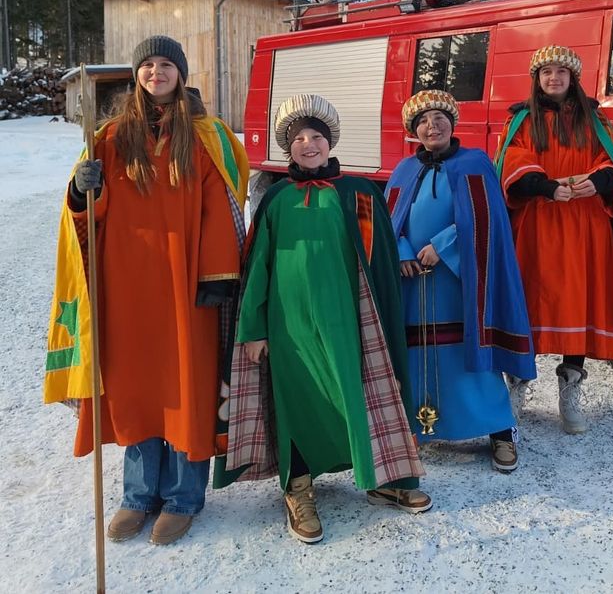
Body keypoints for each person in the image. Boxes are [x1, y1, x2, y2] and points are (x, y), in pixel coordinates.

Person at [44, 35, 249, 546]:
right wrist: (80, 190)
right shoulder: (110, 136)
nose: (157, 72)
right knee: (136, 391)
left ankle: (183, 497)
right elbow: (86, 218)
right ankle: (137, 495)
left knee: (186, 390)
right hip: (127, 287)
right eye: (148, 65)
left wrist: (218, 276)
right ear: (137, 74)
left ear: (181, 73)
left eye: (166, 64)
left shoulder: (208, 136)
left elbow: (223, 206)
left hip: (186, 286)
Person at [228, 94, 429, 545]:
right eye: (298, 138)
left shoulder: (359, 193)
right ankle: (298, 488)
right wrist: (254, 329)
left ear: (330, 141)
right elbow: (257, 267)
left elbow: (377, 261)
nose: (308, 144)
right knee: (298, 402)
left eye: (316, 136)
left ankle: (384, 477)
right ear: (288, 148)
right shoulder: (275, 198)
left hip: (348, 320)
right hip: (290, 326)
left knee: (361, 394)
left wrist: (381, 320)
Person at [495, 45, 613, 434]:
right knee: (529, 307)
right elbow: (510, 161)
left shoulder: (594, 118)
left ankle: (570, 390)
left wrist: (599, 180)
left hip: (585, 226)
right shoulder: (521, 119)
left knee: (579, 305)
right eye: (546, 72)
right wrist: (544, 186)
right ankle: (517, 387)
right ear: (537, 79)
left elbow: (611, 161)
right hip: (538, 224)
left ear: (573, 78)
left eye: (561, 71)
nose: (554, 78)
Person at [385, 90, 536, 473]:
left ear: (452, 124)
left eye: (439, 118)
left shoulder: (474, 163)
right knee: (418, 355)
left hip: (463, 284)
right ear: (413, 130)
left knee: (471, 354)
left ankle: (500, 430)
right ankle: (421, 426)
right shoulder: (404, 169)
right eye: (422, 121)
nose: (431, 126)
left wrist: (443, 246)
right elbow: (390, 220)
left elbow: (487, 220)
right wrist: (401, 250)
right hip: (414, 284)